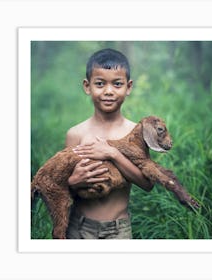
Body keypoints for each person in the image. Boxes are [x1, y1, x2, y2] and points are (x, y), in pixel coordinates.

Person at [65, 48, 153, 239]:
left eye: (117, 84)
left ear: (128, 87)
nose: (108, 91)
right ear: (87, 86)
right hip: (78, 228)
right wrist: (72, 182)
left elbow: (147, 183)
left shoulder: (136, 133)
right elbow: (62, 184)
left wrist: (112, 154)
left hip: (119, 230)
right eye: (100, 84)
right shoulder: (76, 134)